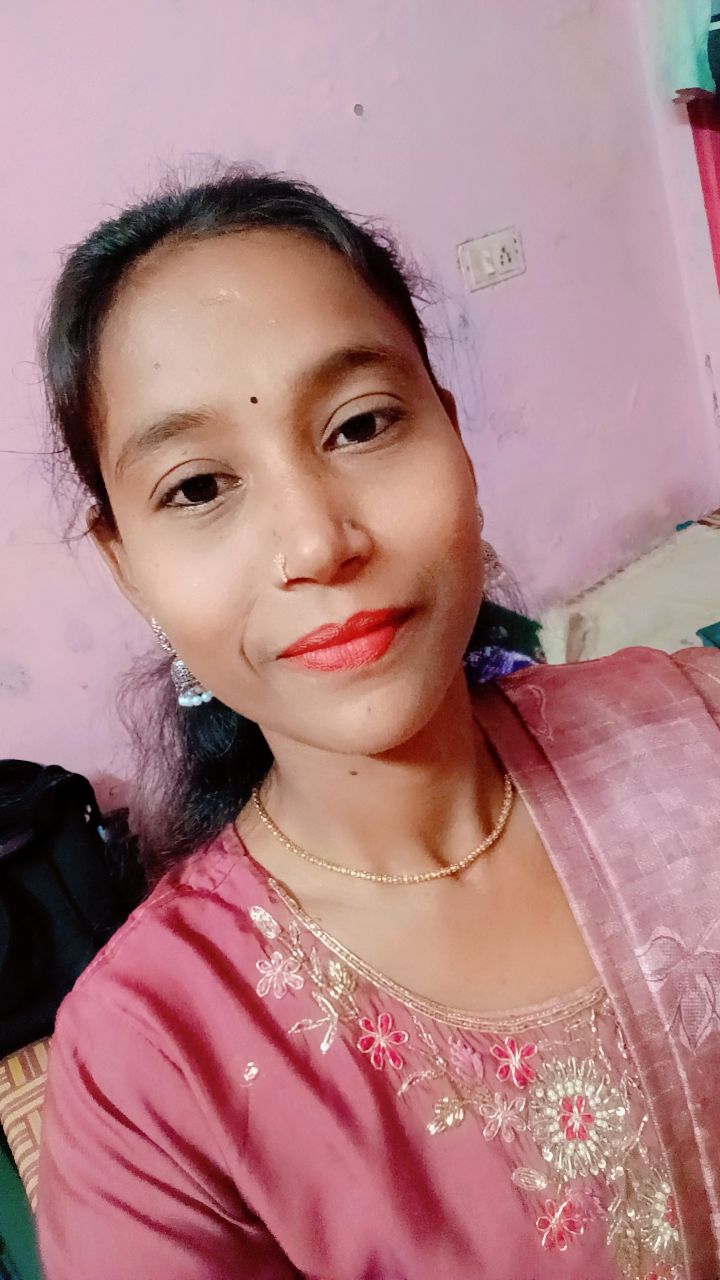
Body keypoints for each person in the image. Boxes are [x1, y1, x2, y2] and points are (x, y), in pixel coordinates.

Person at [36, 169, 720, 1280]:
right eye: (199, 488)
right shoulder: (153, 1067)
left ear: (452, 433)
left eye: (360, 425)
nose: (316, 542)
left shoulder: (694, 729)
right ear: (129, 568)